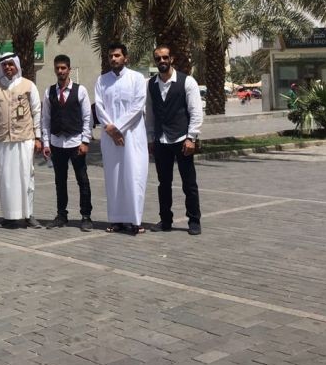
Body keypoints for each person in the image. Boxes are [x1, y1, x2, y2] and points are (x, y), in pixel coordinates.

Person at [146, 45, 204, 235]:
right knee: (164, 184)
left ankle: (194, 221)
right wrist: (150, 138)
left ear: (172, 59)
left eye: (165, 58)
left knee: (189, 183)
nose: (162, 61)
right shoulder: (151, 84)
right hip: (161, 140)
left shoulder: (187, 82)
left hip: (182, 139)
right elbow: (150, 114)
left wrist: (191, 137)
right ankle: (165, 220)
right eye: (158, 59)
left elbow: (195, 112)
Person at [94, 43, 149, 235]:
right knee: (113, 177)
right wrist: (111, 129)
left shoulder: (137, 78)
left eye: (117, 55)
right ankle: (116, 220)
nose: (113, 59)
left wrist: (118, 128)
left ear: (126, 57)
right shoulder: (102, 81)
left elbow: (138, 106)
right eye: (110, 56)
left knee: (134, 176)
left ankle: (135, 220)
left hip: (132, 137)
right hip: (110, 138)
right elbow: (99, 107)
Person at [0, 52, 43, 229]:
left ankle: (28, 215)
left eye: (11, 64)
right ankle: (9, 216)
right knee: (6, 180)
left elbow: (37, 111)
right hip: (2, 141)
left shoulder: (28, 85)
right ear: (1, 67)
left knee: (26, 178)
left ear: (16, 66)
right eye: (5, 65)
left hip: (24, 139)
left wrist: (38, 137)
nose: (8, 68)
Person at [41, 55, 94, 232]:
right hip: (57, 143)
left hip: (76, 142)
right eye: (57, 68)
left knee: (82, 180)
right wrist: (46, 143)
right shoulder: (49, 92)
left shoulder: (80, 91)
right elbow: (45, 119)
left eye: (63, 68)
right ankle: (61, 215)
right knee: (60, 181)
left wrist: (85, 141)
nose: (60, 71)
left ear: (69, 69)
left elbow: (88, 117)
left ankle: (86, 216)